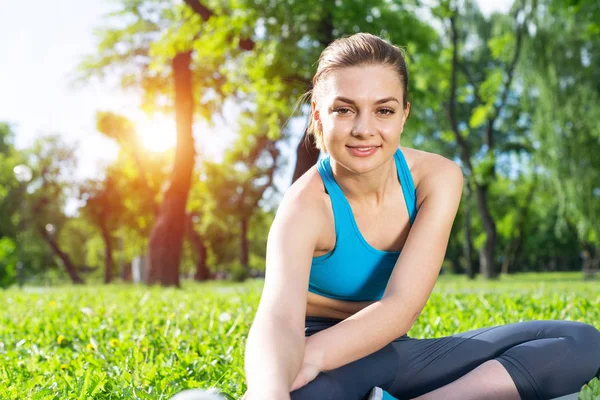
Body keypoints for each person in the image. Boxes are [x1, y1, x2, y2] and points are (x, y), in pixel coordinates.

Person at [242, 32, 600, 400]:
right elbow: (278, 319)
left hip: (391, 351)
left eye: (383, 110)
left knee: (580, 341)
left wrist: (312, 357)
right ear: (319, 114)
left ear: (403, 115)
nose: (364, 128)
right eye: (344, 109)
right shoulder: (304, 205)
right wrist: (270, 389)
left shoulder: (437, 178)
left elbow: (401, 307)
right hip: (319, 358)